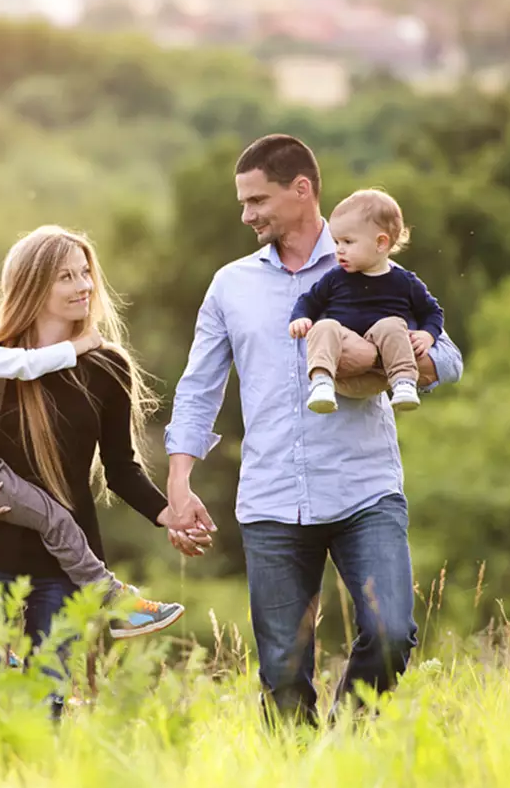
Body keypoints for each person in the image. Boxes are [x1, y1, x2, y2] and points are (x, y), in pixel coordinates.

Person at [162, 134, 464, 727]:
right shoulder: (231, 285)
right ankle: (299, 779)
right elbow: (199, 387)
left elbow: (448, 358)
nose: (246, 214)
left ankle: (344, 748)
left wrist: (391, 361)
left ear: (302, 190)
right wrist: (179, 481)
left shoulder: (378, 268)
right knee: (281, 670)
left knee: (390, 633)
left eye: (257, 200)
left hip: (364, 489)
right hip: (271, 498)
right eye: (243, 203)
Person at [0, 226, 191, 712]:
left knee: (47, 705)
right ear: (34, 286)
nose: (84, 285)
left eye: (86, 272)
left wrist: (168, 512)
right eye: (67, 276)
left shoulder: (107, 367)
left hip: (64, 563)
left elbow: (121, 468)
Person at [287, 188, 446, 415]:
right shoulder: (335, 278)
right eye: (336, 241)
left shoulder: (404, 281)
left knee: (392, 324)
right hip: (343, 366)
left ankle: (404, 383)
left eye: (348, 242)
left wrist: (427, 335)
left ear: (381, 243)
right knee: (325, 326)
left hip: (382, 373)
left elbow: (432, 311)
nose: (338, 250)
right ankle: (321, 382)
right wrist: (300, 317)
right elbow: (309, 300)